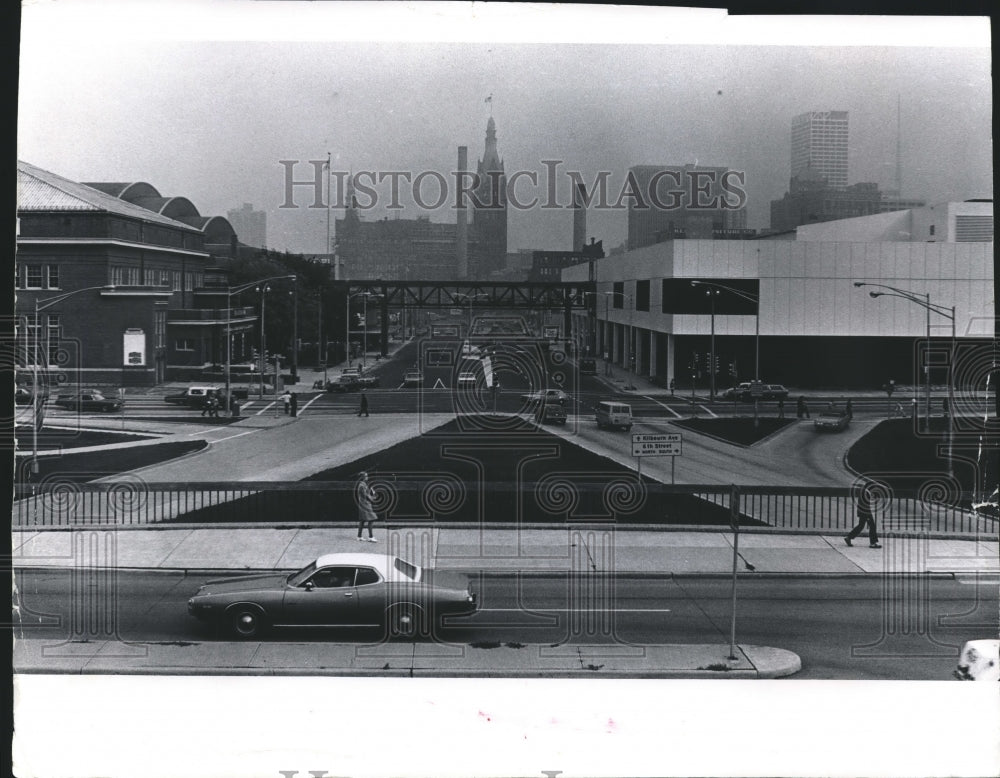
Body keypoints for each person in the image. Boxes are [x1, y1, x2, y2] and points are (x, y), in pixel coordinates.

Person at [845, 484, 882, 548]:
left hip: (863, 511)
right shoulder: (866, 493)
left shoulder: (864, 491)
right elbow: (865, 504)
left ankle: (849, 537)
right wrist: (868, 515)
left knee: (861, 526)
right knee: (872, 526)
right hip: (866, 512)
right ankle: (873, 543)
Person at [355, 471, 378, 542]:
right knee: (372, 519)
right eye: (366, 476)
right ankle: (371, 537)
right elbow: (366, 496)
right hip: (365, 505)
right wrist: (374, 496)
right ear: (362, 478)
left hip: (363, 504)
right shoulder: (362, 485)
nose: (367, 477)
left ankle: (359, 536)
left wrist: (371, 494)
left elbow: (366, 495)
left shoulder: (363, 484)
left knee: (362, 520)